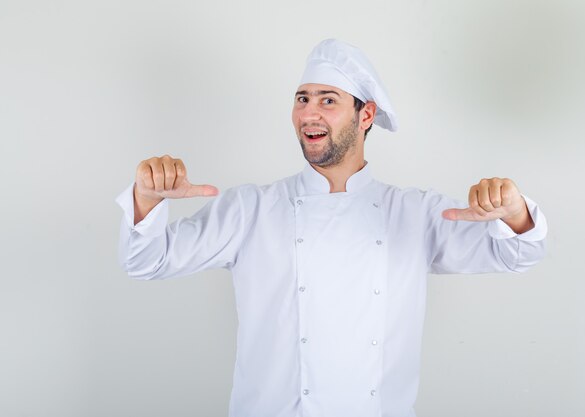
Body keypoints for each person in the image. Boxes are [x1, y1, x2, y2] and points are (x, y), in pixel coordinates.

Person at [116, 39, 547, 417]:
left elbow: (518, 254)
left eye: (327, 100)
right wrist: (148, 198)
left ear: (366, 115)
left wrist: (512, 212)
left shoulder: (414, 214)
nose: (308, 113)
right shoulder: (250, 210)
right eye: (301, 99)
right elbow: (145, 261)